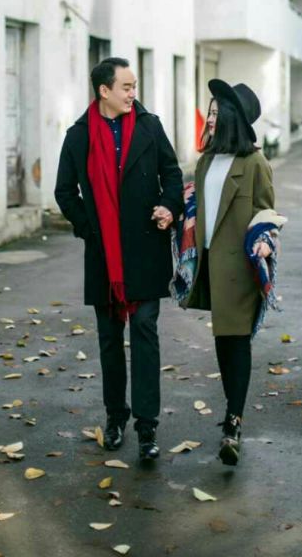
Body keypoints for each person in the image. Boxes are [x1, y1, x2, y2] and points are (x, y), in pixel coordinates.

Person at [55, 57, 184, 460]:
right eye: (126, 87)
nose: (132, 93)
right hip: (104, 255)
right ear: (104, 91)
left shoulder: (150, 126)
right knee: (110, 340)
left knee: (144, 331)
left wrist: (169, 207)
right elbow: (64, 192)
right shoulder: (78, 136)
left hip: (146, 248)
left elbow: (172, 173)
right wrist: (90, 228)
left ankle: (147, 427)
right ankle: (115, 417)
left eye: (134, 86)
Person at [185, 79, 277, 466]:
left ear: (232, 118)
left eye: (216, 111)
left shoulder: (255, 163)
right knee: (223, 341)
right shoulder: (206, 161)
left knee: (236, 342)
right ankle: (231, 412)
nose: (209, 117)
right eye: (209, 110)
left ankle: (233, 424)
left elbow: (267, 213)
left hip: (239, 266)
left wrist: (265, 241)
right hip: (209, 265)